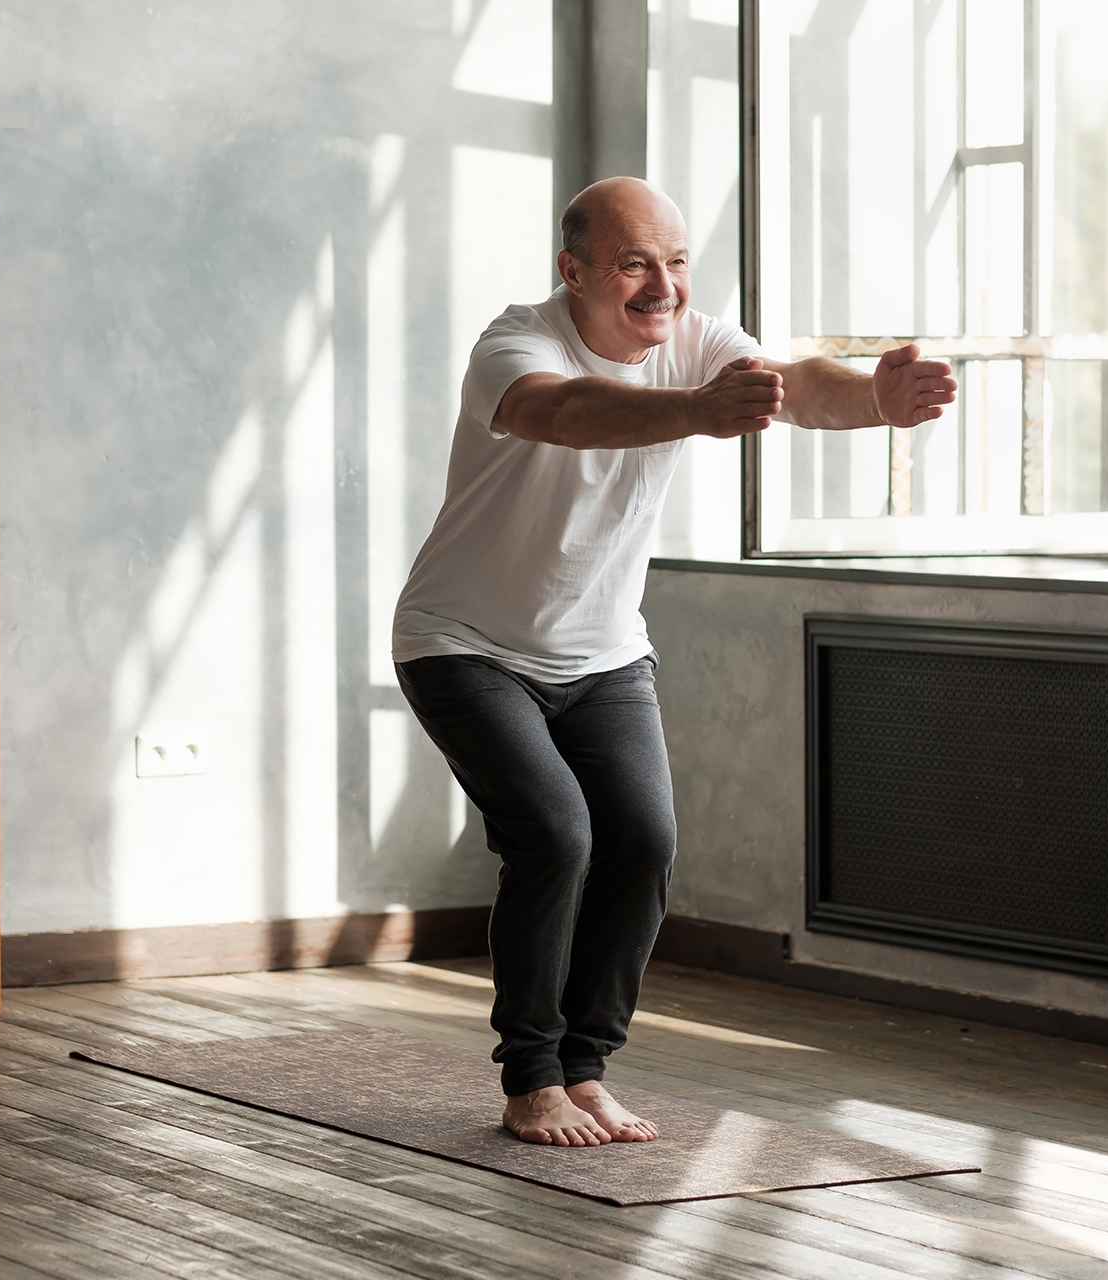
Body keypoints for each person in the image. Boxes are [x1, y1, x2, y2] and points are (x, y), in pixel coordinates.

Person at [392, 177, 957, 1147]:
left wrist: (873, 395)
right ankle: (530, 1076)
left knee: (644, 841)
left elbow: (790, 384)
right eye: (633, 264)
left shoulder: (696, 343)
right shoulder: (514, 345)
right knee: (555, 832)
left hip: (604, 651)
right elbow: (563, 411)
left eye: (678, 262)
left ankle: (585, 1065)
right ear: (572, 272)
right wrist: (696, 410)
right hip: (463, 643)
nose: (663, 286)